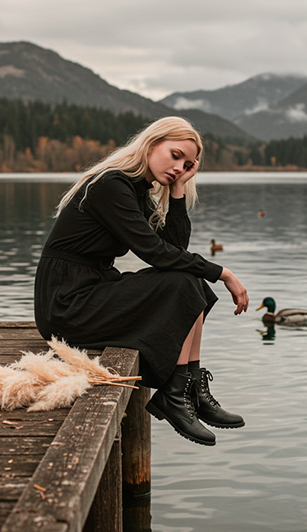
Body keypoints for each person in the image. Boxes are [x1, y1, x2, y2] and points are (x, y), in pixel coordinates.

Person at [34, 116, 249, 446]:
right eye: (175, 155)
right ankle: (176, 393)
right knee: (185, 282)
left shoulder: (137, 192)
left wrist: (177, 192)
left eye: (188, 164)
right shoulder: (110, 185)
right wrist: (223, 273)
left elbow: (174, 251)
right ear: (152, 143)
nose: (180, 167)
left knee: (190, 283)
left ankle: (186, 385)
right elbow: (156, 253)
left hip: (92, 289)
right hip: (66, 303)